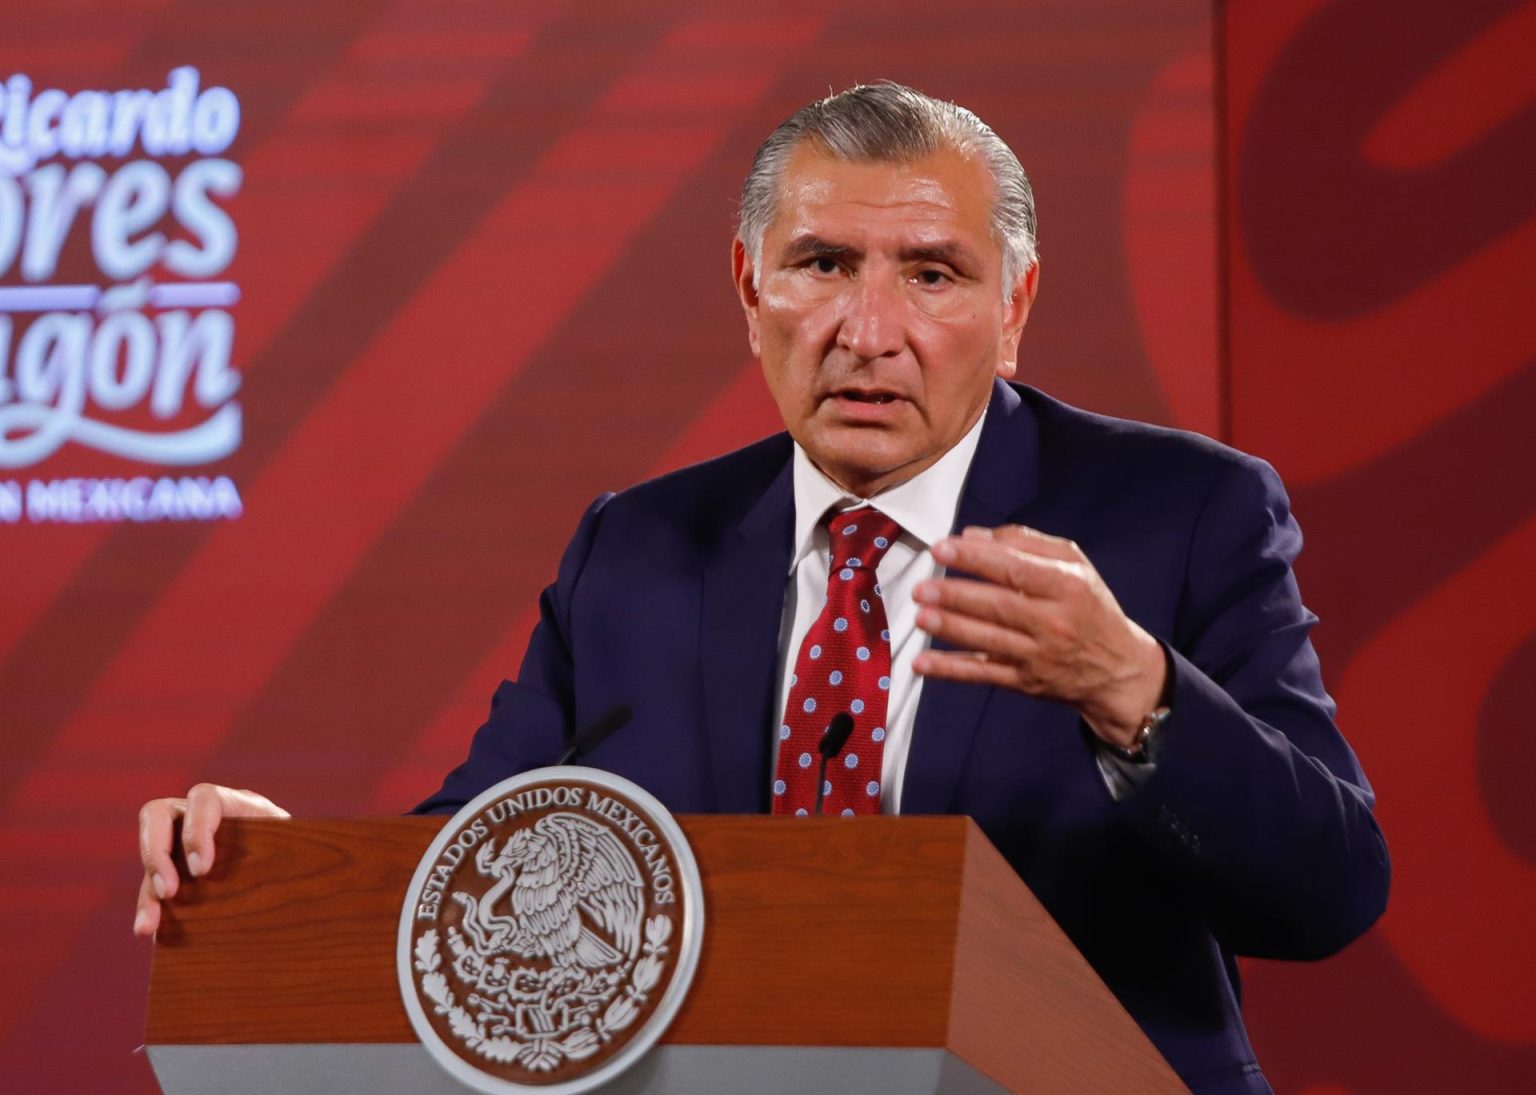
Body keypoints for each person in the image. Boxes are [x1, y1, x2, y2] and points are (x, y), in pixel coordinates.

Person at [135, 83, 1388, 1093]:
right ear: (749, 290)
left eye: (933, 274)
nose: (867, 327)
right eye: (824, 265)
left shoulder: (1179, 514)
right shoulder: (636, 549)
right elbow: (486, 860)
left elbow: (1330, 888)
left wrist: (1136, 694)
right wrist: (288, 881)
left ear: (1016, 307)